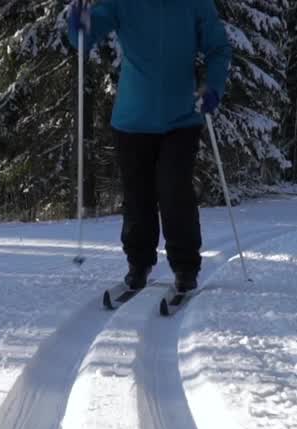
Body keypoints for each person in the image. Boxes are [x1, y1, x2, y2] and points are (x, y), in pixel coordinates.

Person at [68, 0, 231, 293]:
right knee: (137, 196)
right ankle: (139, 264)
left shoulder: (195, 5)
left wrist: (214, 86)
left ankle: (185, 268)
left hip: (181, 118)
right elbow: (84, 37)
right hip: (132, 119)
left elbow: (218, 48)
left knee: (174, 191)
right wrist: (79, 23)